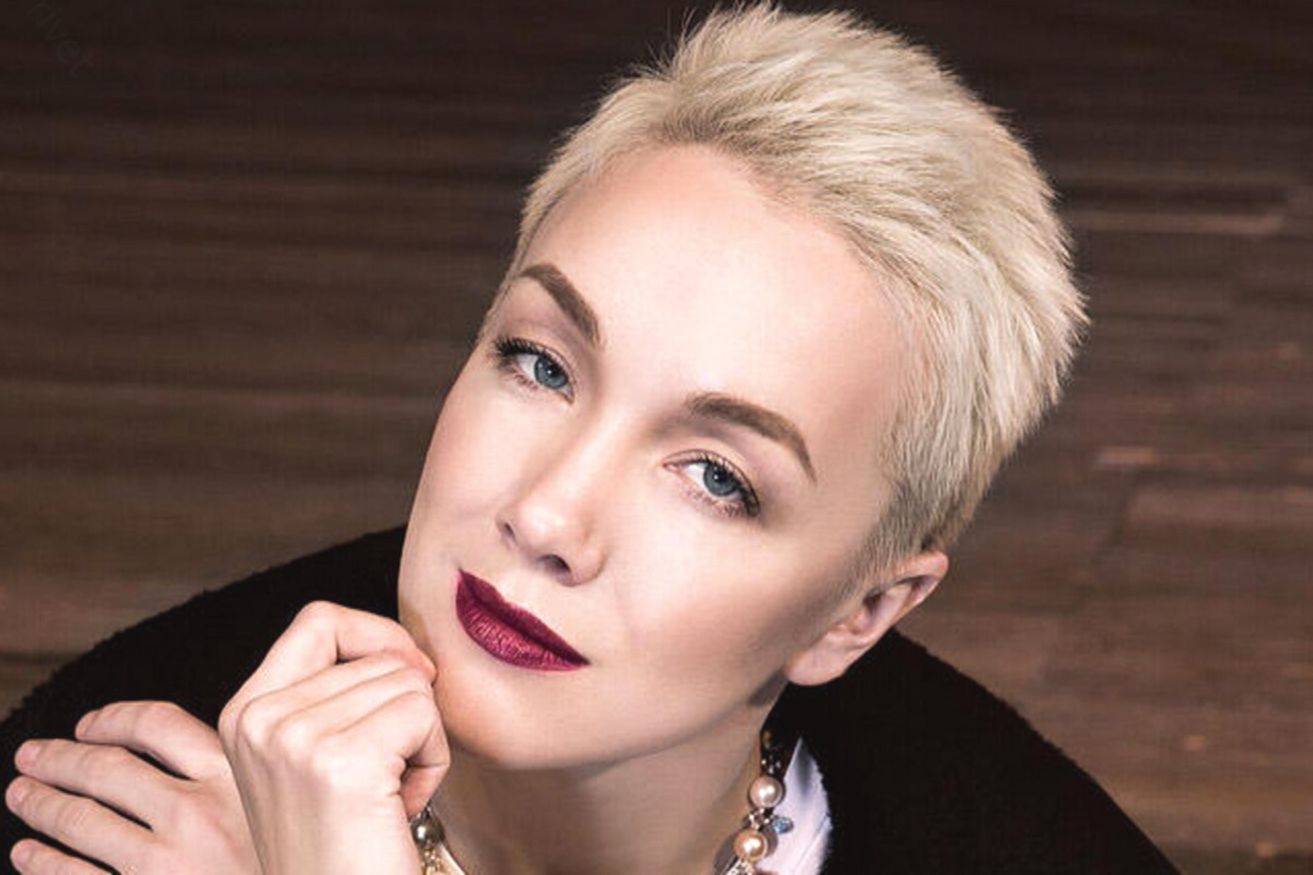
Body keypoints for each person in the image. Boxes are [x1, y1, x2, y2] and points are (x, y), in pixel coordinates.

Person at [2, 3, 1178, 873]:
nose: (546, 514)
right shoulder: (99, 798)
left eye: (715, 476)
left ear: (856, 611)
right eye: (540, 363)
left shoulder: (1030, 843)